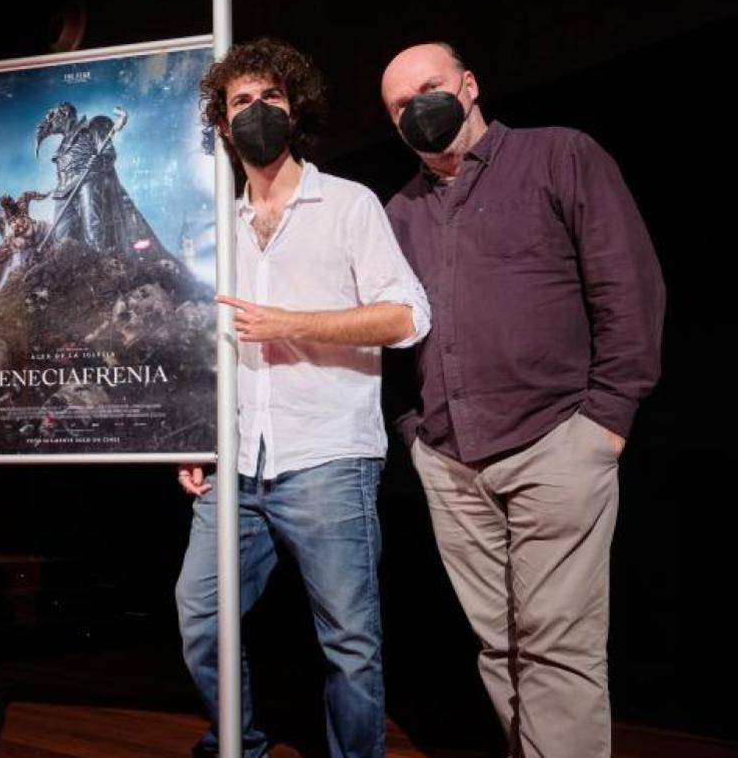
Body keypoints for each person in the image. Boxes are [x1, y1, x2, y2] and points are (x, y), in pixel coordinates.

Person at [380, 42, 666, 758]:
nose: (419, 108)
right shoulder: (398, 212)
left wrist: (606, 420)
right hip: (452, 462)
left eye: (430, 87)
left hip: (557, 442)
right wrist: (416, 433)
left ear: (469, 85)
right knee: (499, 646)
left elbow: (626, 286)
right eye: (400, 104)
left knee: (557, 648)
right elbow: (390, 332)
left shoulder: (559, 156)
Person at [175, 38, 431, 758]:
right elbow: (203, 349)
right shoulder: (213, 229)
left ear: (295, 111)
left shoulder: (347, 204)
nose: (257, 112)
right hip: (236, 465)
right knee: (200, 613)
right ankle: (240, 744)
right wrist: (194, 435)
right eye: (241, 102)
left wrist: (295, 324)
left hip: (328, 457)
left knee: (350, 641)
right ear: (222, 126)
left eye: (271, 98)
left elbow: (408, 316)